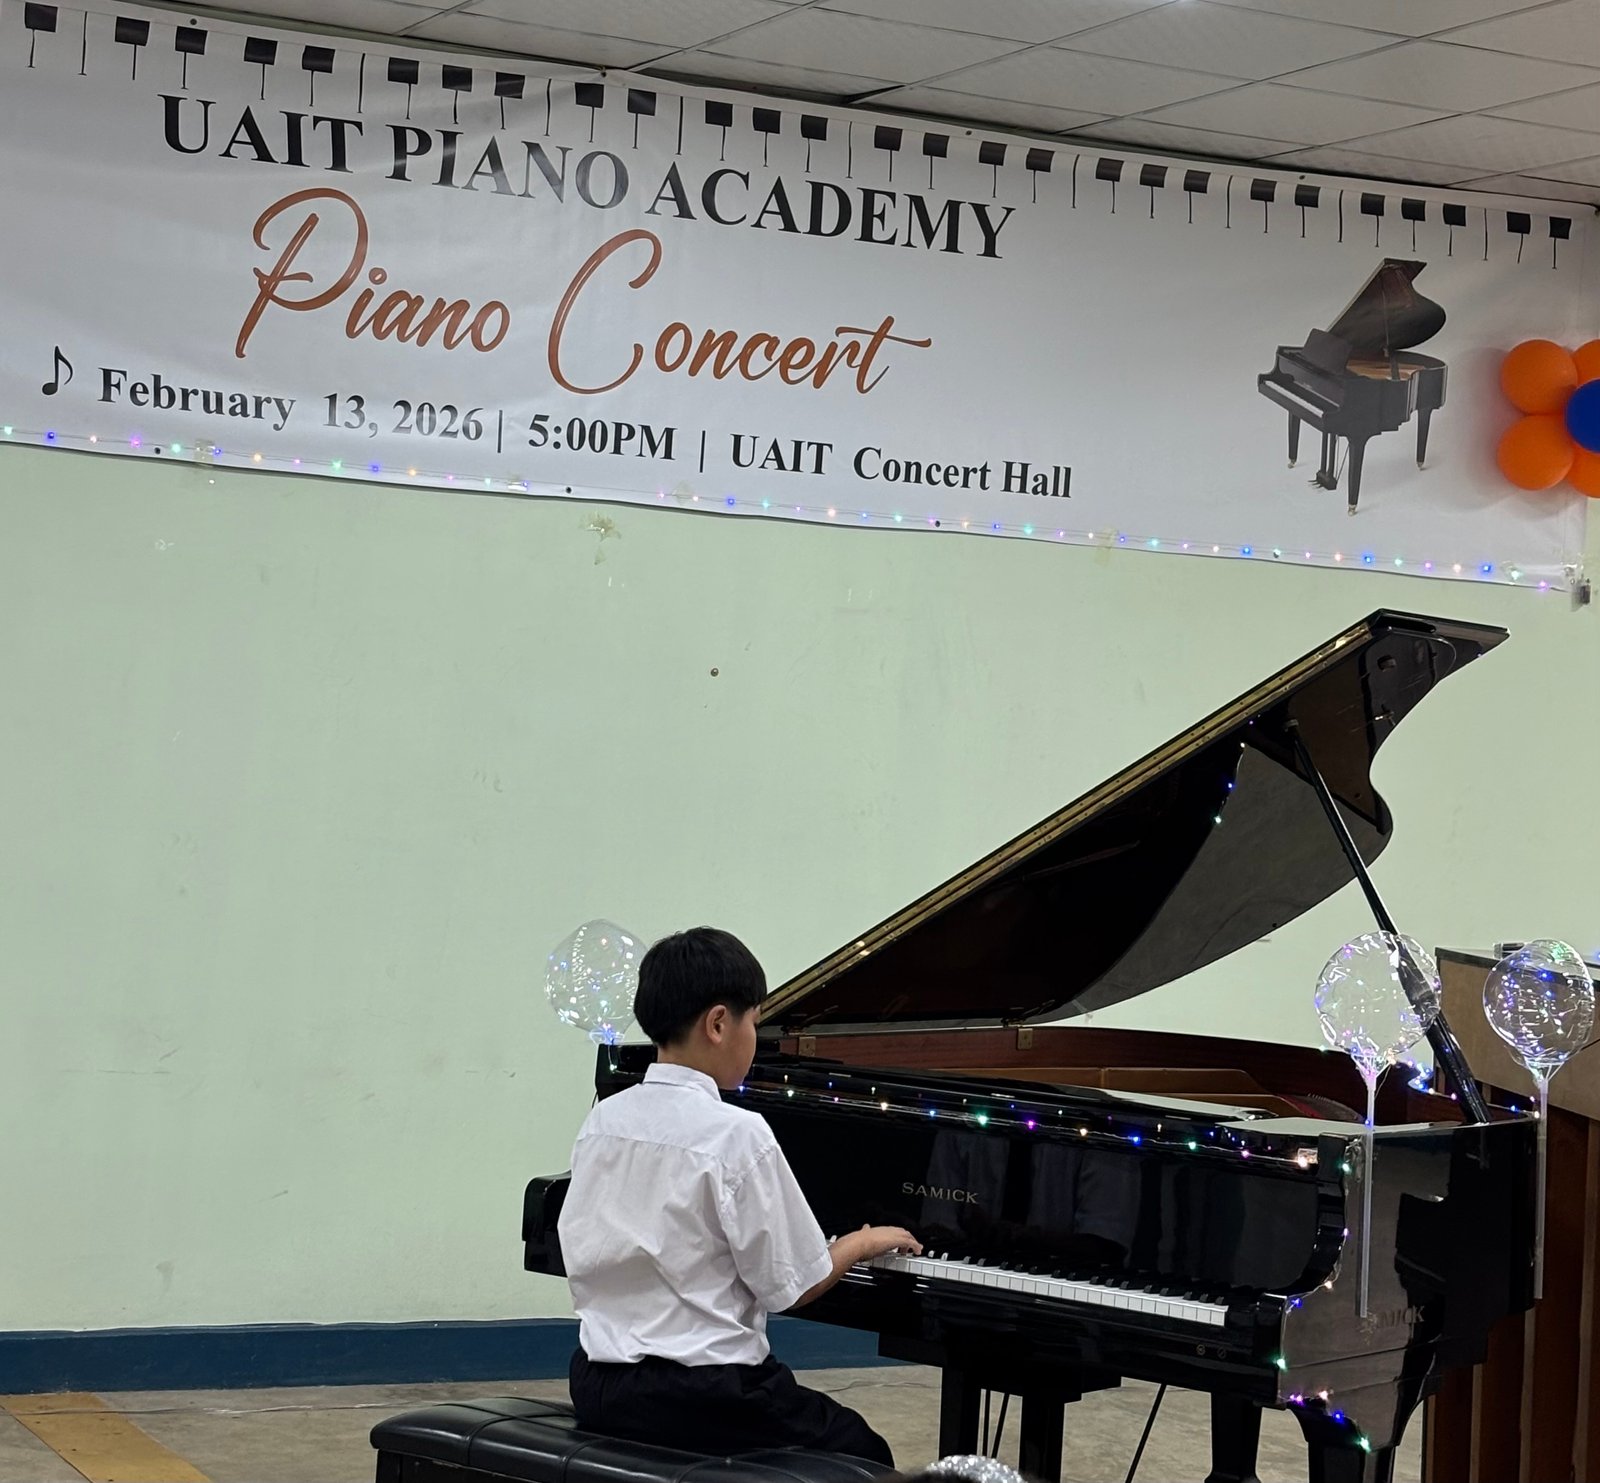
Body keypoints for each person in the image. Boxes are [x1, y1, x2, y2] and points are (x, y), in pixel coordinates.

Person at [557, 925, 921, 1467]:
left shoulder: (604, 1121)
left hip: (598, 1385)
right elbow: (792, 1286)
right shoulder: (736, 1133)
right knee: (863, 1452)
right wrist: (860, 1243)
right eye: (756, 1019)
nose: (758, 1034)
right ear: (719, 1022)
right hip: (709, 1397)